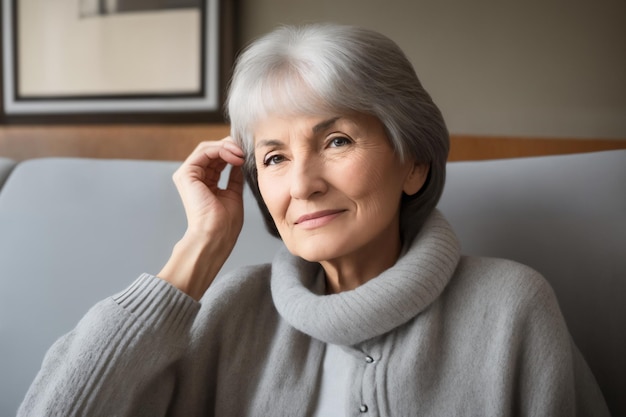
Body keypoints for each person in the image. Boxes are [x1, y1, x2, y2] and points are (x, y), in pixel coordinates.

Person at [18, 23, 609, 416]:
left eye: (336, 141)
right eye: (273, 157)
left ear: (414, 164)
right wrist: (198, 249)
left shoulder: (513, 307)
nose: (302, 183)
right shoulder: (228, 311)